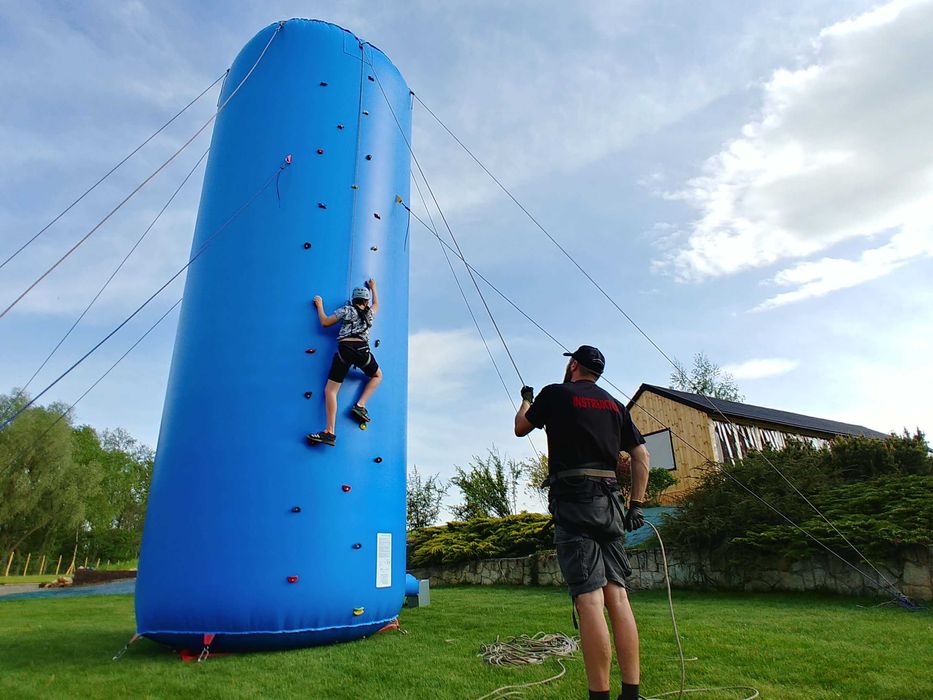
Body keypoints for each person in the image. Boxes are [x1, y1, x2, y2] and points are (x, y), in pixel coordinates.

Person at [514, 345, 650, 700]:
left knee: (589, 601)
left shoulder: (555, 394)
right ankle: (630, 693)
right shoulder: (614, 405)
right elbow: (642, 454)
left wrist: (527, 401)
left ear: (573, 365)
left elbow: (520, 428)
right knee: (617, 597)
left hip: (575, 502)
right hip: (611, 504)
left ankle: (599, 696)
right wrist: (636, 504)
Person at [306, 279, 382, 446]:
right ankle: (360, 405)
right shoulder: (369, 313)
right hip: (362, 350)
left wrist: (319, 305)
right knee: (377, 375)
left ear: (353, 299)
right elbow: (376, 304)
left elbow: (325, 322)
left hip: (345, 350)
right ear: (366, 301)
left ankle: (330, 431)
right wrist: (374, 287)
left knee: (331, 391)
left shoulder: (347, 310)